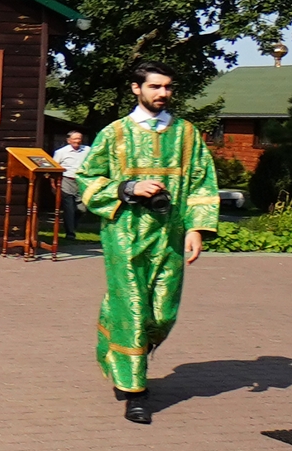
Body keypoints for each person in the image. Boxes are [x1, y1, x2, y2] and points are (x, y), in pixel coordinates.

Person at [76, 61, 220, 424]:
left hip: (170, 235)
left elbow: (203, 182)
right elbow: (87, 178)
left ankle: (113, 349)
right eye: (155, 87)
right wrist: (128, 188)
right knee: (134, 309)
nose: (163, 93)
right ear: (136, 89)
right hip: (125, 235)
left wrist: (196, 229)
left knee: (162, 313)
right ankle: (134, 391)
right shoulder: (115, 133)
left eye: (168, 87)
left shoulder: (187, 135)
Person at [50, 129, 91, 242]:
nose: (77, 141)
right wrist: (53, 184)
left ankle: (72, 226)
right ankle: (70, 233)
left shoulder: (87, 150)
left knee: (82, 208)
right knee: (69, 208)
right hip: (66, 180)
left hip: (81, 181)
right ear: (69, 140)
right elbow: (54, 168)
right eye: (75, 139)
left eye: (79, 139)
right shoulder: (61, 152)